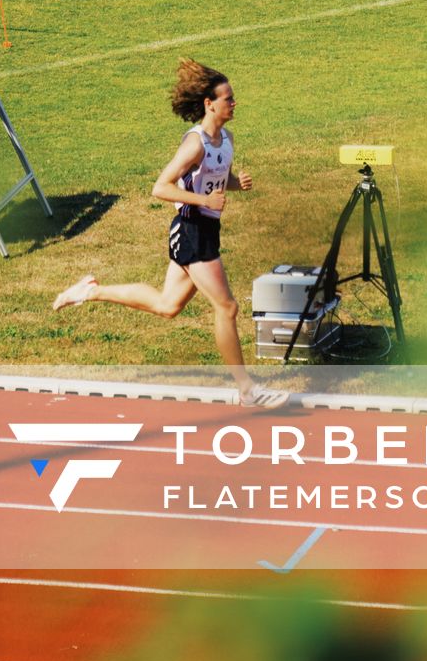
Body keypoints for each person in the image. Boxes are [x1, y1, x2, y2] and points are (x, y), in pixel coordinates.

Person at [51, 59, 287, 408]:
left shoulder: (226, 139)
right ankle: (248, 390)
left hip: (206, 230)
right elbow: (160, 188)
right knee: (227, 307)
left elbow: (215, 180)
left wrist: (236, 184)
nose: (234, 103)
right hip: (191, 232)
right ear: (210, 104)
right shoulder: (194, 144)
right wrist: (204, 199)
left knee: (168, 305)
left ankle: (90, 292)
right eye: (228, 99)